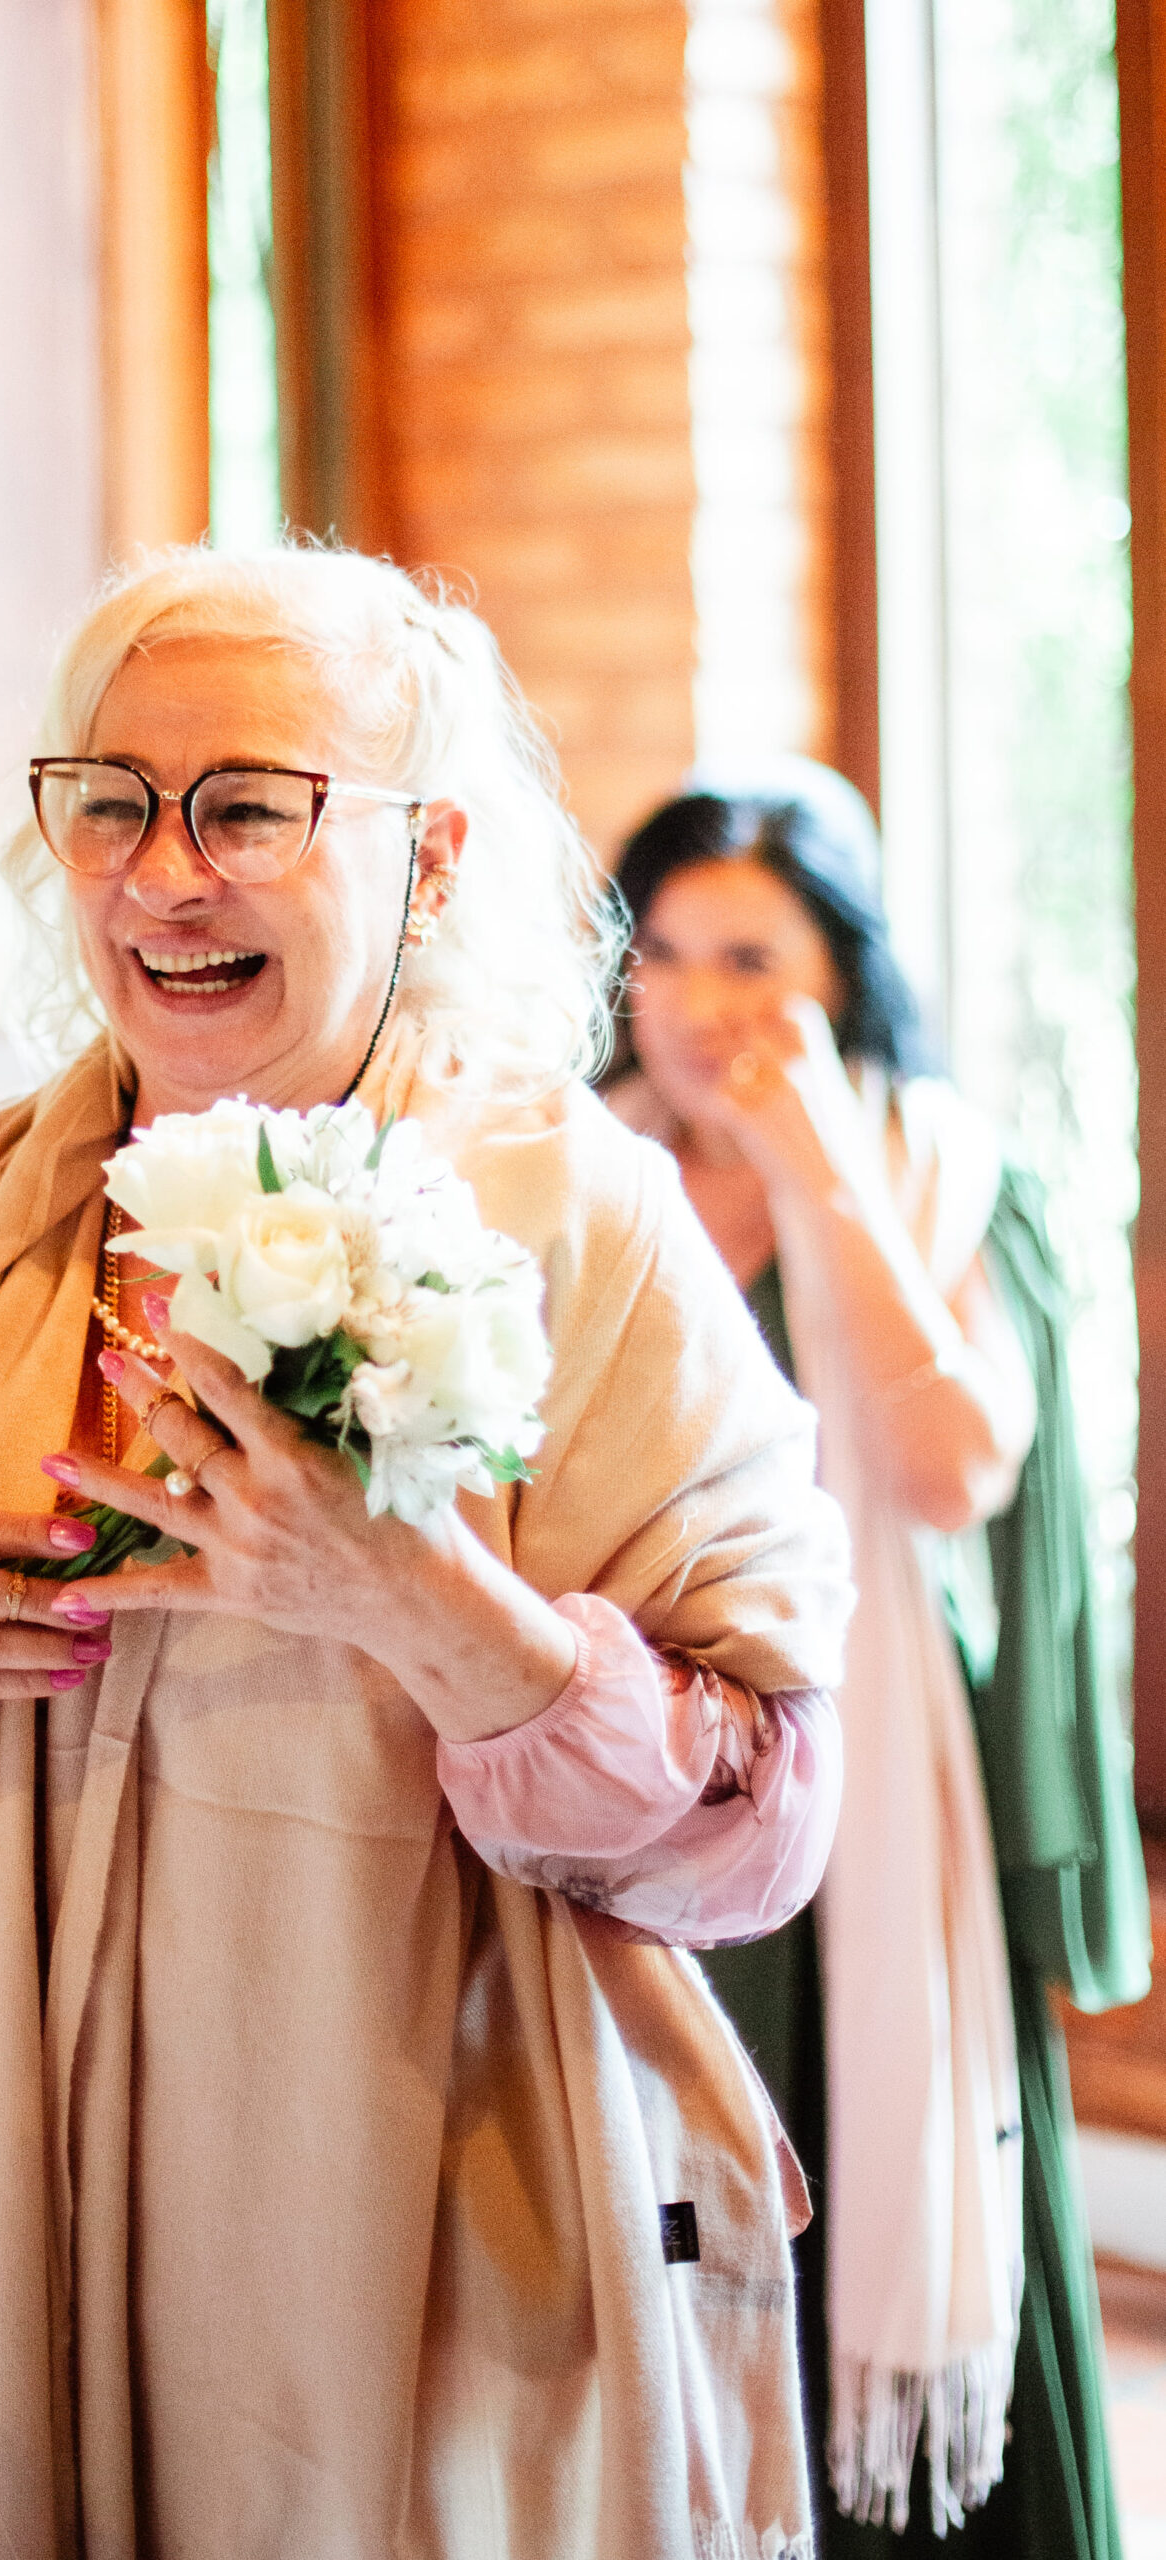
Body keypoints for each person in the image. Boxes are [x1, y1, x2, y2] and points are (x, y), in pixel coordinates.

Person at [0, 544, 853, 2560]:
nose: (162, 876)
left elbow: (762, 1833)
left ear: (430, 857)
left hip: (408, 2285)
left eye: (248, 807)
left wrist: (446, 1622)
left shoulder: (587, 1233)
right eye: (109, 802)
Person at [608, 761, 1152, 2559]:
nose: (696, 1004)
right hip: (626, 1806)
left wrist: (816, 1170)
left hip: (870, 1826)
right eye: (662, 953)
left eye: (749, 959)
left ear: (843, 976)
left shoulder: (934, 1171)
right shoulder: (579, 1174)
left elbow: (950, 1468)